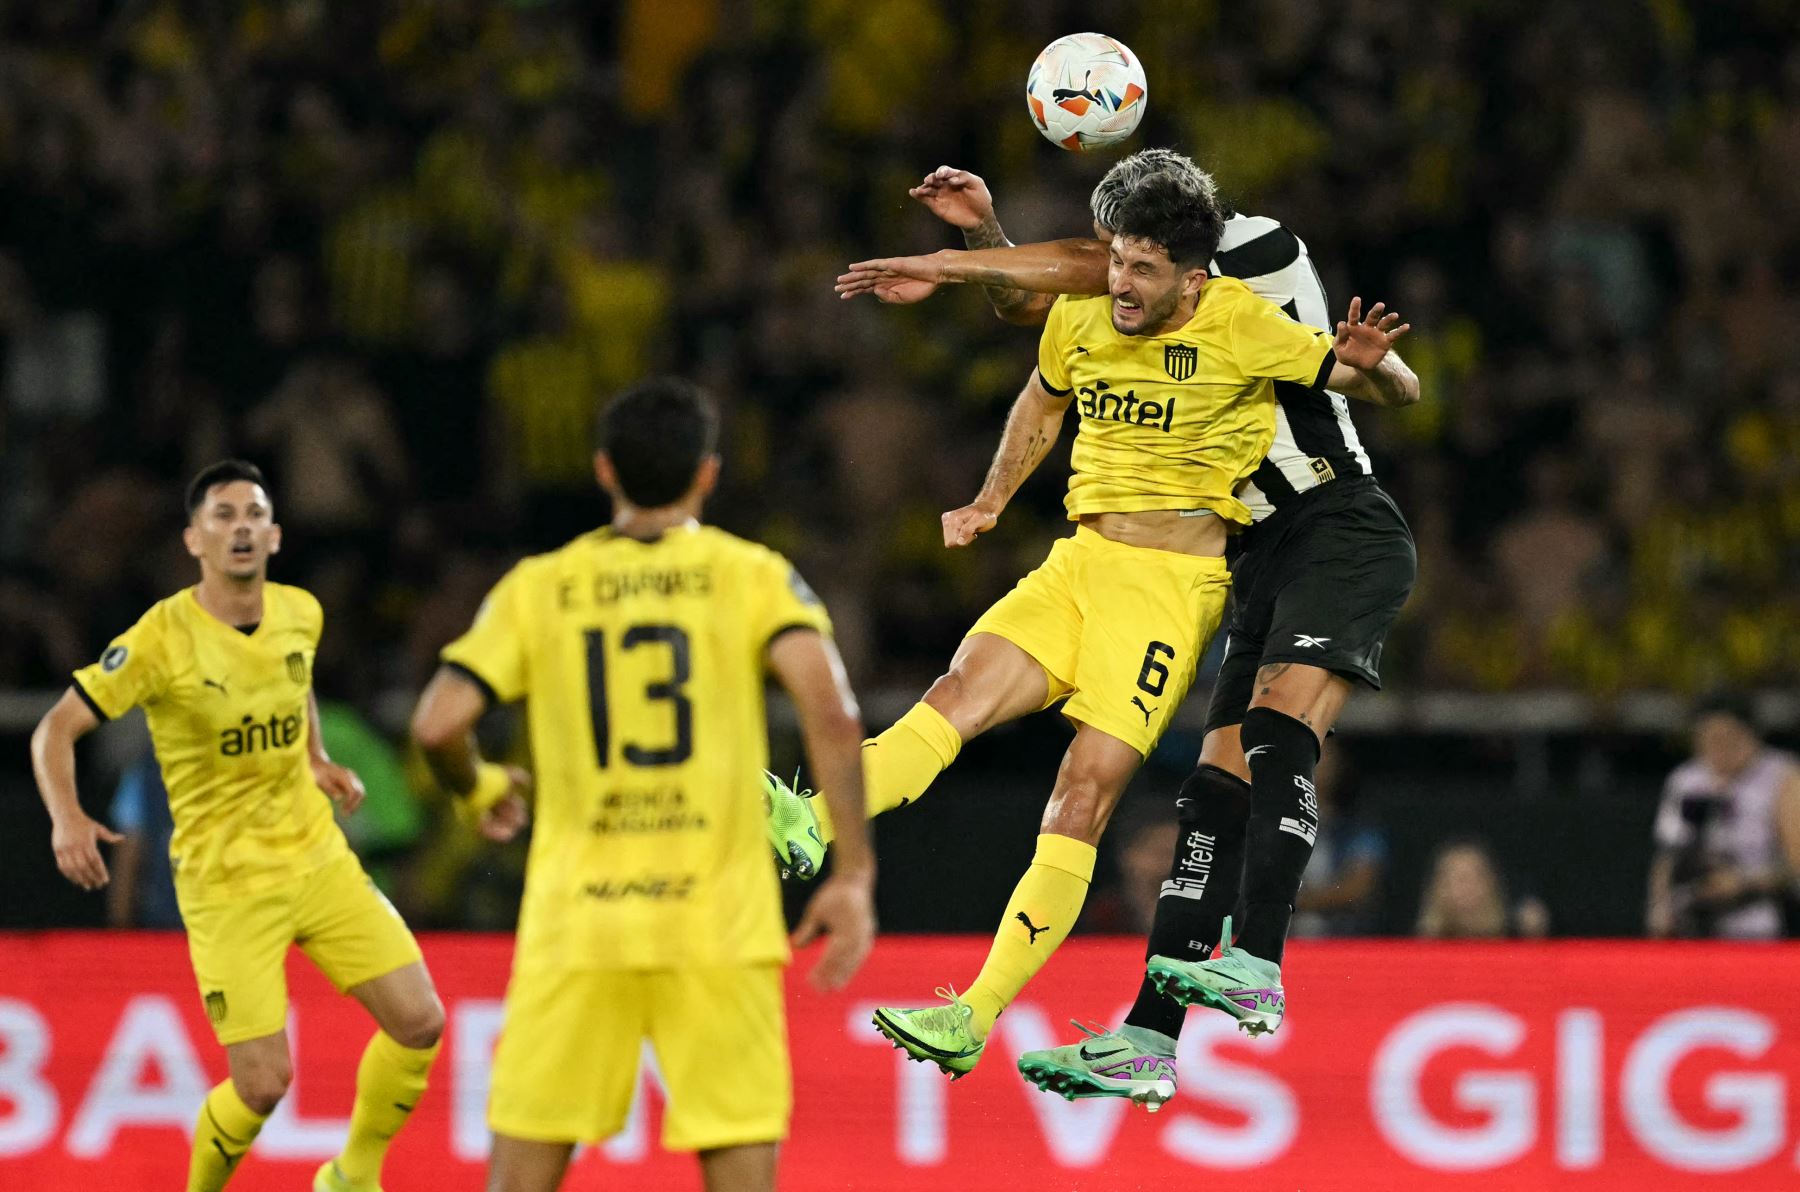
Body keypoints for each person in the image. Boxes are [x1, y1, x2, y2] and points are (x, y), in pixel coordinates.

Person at [775, 162, 1411, 1090]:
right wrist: (990, 496)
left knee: (1122, 779)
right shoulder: (1099, 306)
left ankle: (1239, 968)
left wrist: (960, 260)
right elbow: (1044, 341)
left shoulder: (1249, 284)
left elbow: (1387, 384)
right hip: (1125, 561)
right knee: (1166, 781)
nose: (1114, 276)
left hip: (1259, 550)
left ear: (1193, 268)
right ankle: (1148, 1038)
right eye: (1113, 256)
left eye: (1137, 261)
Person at [409, 377, 876, 1192]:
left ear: (601, 471)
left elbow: (436, 723)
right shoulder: (751, 574)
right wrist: (855, 873)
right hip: (717, 924)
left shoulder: (540, 586)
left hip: (579, 922)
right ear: (707, 473)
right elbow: (832, 710)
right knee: (737, 1158)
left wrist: (477, 787)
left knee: (521, 1172)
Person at [28, 460, 445, 1192]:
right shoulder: (160, 640)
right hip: (227, 888)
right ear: (194, 540)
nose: (241, 526)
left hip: (316, 859)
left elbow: (295, 680)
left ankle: (353, 1177)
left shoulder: (301, 611)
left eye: (254, 513)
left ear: (275, 535)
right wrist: (67, 819)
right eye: (223, 515)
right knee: (262, 1086)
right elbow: (55, 730)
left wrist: (314, 757)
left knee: (421, 1022)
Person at [1646, 692, 1800, 939]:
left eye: (1728, 739)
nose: (1719, 750)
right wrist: (1658, 910)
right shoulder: (1686, 780)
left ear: (1751, 734)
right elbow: (1669, 855)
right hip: (1697, 920)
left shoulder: (1782, 777)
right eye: (1709, 740)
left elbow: (1796, 864)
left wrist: (1745, 883)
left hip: (1766, 922)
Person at [1416, 839, 1550, 939]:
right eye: (1457, 879)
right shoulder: (1417, 951)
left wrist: (1534, 940)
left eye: (1476, 877)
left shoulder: (1517, 937)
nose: (1467, 888)